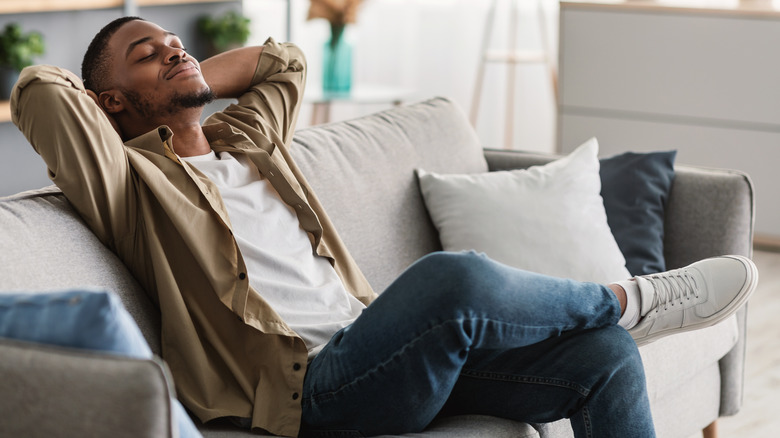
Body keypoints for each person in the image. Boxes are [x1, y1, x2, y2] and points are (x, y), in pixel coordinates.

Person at [11, 16, 758, 438]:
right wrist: (144, 90)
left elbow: (285, 61)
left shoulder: (249, 143)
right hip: (317, 390)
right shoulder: (130, 184)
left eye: (176, 42)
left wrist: (186, 72)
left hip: (379, 350)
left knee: (600, 359)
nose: (173, 49)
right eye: (149, 55)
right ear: (108, 102)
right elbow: (40, 90)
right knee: (452, 277)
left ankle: (616, 322)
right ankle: (634, 302)